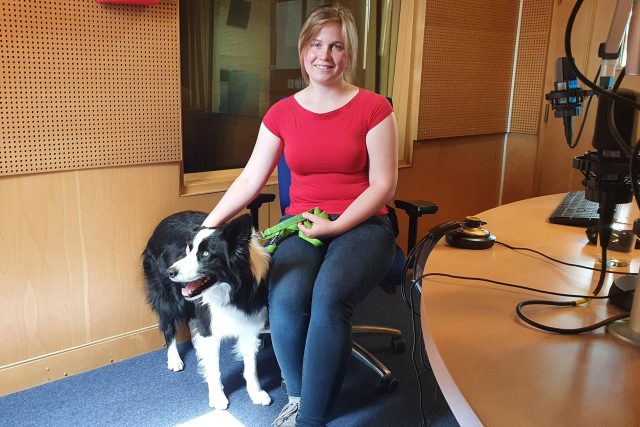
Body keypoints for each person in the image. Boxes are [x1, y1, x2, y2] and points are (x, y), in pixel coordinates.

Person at [201, 3, 398, 426]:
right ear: (303, 48)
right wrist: (207, 227)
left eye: (336, 46)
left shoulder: (374, 108)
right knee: (286, 297)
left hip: (363, 224)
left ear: (349, 53)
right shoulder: (282, 113)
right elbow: (250, 179)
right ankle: (298, 396)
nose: (324, 55)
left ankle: (310, 420)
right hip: (302, 225)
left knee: (329, 297)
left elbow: (383, 185)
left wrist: (338, 225)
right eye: (316, 44)